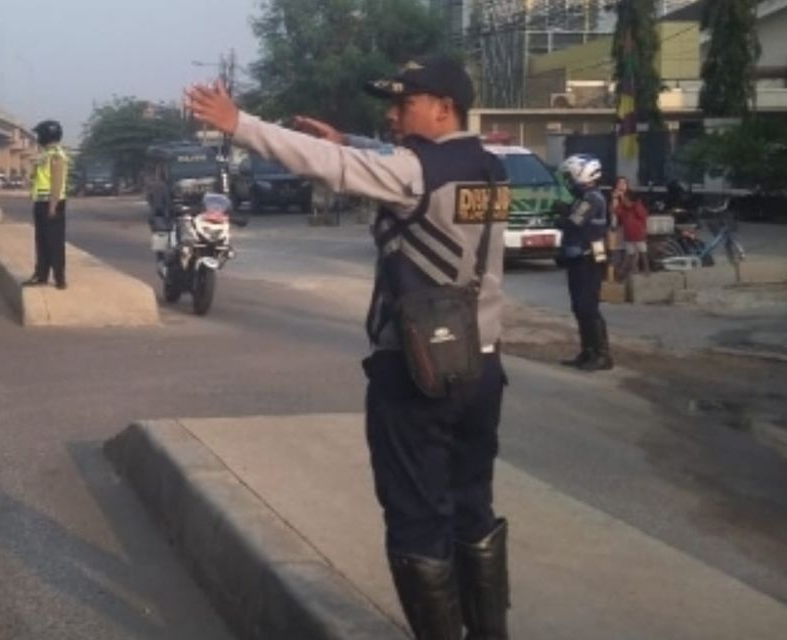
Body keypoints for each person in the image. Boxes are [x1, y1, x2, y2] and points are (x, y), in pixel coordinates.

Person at [185, 54, 511, 640]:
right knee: (472, 508)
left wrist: (242, 123)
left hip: (416, 373)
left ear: (442, 108)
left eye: (403, 104)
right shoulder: (488, 167)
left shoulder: (413, 172)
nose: (392, 114)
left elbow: (334, 166)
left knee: (416, 519)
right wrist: (350, 139)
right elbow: (380, 160)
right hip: (482, 368)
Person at [553, 154, 612, 371]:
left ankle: (602, 355)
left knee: (588, 307)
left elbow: (575, 221)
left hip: (589, 258)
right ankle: (588, 352)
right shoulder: (583, 197)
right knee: (579, 307)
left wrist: (562, 216)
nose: (569, 180)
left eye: (571, 175)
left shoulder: (593, 198)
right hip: (577, 258)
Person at [23, 120, 69, 290]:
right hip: (41, 202)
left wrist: (52, 206)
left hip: (52, 203)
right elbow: (36, 178)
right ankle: (41, 275)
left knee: (54, 242)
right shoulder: (45, 154)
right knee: (41, 241)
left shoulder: (56, 155)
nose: (38, 137)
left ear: (47, 135)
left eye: (40, 134)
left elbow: (56, 182)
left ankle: (59, 278)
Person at [612, 177, 650, 278]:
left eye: (624, 183)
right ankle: (623, 272)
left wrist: (627, 201)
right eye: (619, 183)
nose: (621, 185)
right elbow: (614, 211)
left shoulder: (634, 202)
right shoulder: (617, 200)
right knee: (624, 252)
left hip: (637, 234)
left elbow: (643, 214)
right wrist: (616, 198)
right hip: (624, 232)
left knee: (639, 253)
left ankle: (637, 271)